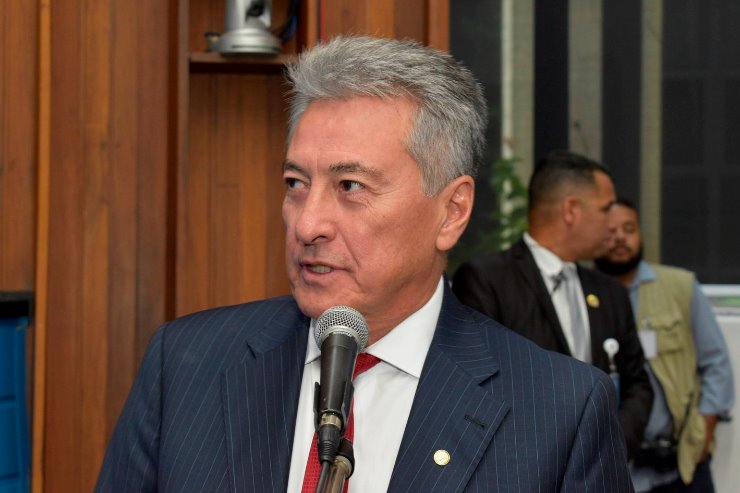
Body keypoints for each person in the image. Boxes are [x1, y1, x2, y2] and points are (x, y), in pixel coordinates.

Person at [95, 37, 634, 492]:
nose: (307, 224)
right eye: (295, 184)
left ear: (452, 211)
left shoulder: (558, 412)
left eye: (350, 186)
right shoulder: (185, 366)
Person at [452, 150, 653, 459]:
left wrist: (610, 448)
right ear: (571, 210)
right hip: (522, 465)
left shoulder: (610, 292)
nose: (612, 224)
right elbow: (478, 388)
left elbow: (637, 384)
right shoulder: (488, 281)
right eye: (606, 209)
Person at [594, 197, 735, 493]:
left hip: (681, 464)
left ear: (641, 234)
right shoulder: (584, 295)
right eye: (610, 231)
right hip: (613, 467)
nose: (620, 238)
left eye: (629, 229)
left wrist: (704, 430)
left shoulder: (679, 286)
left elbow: (716, 364)